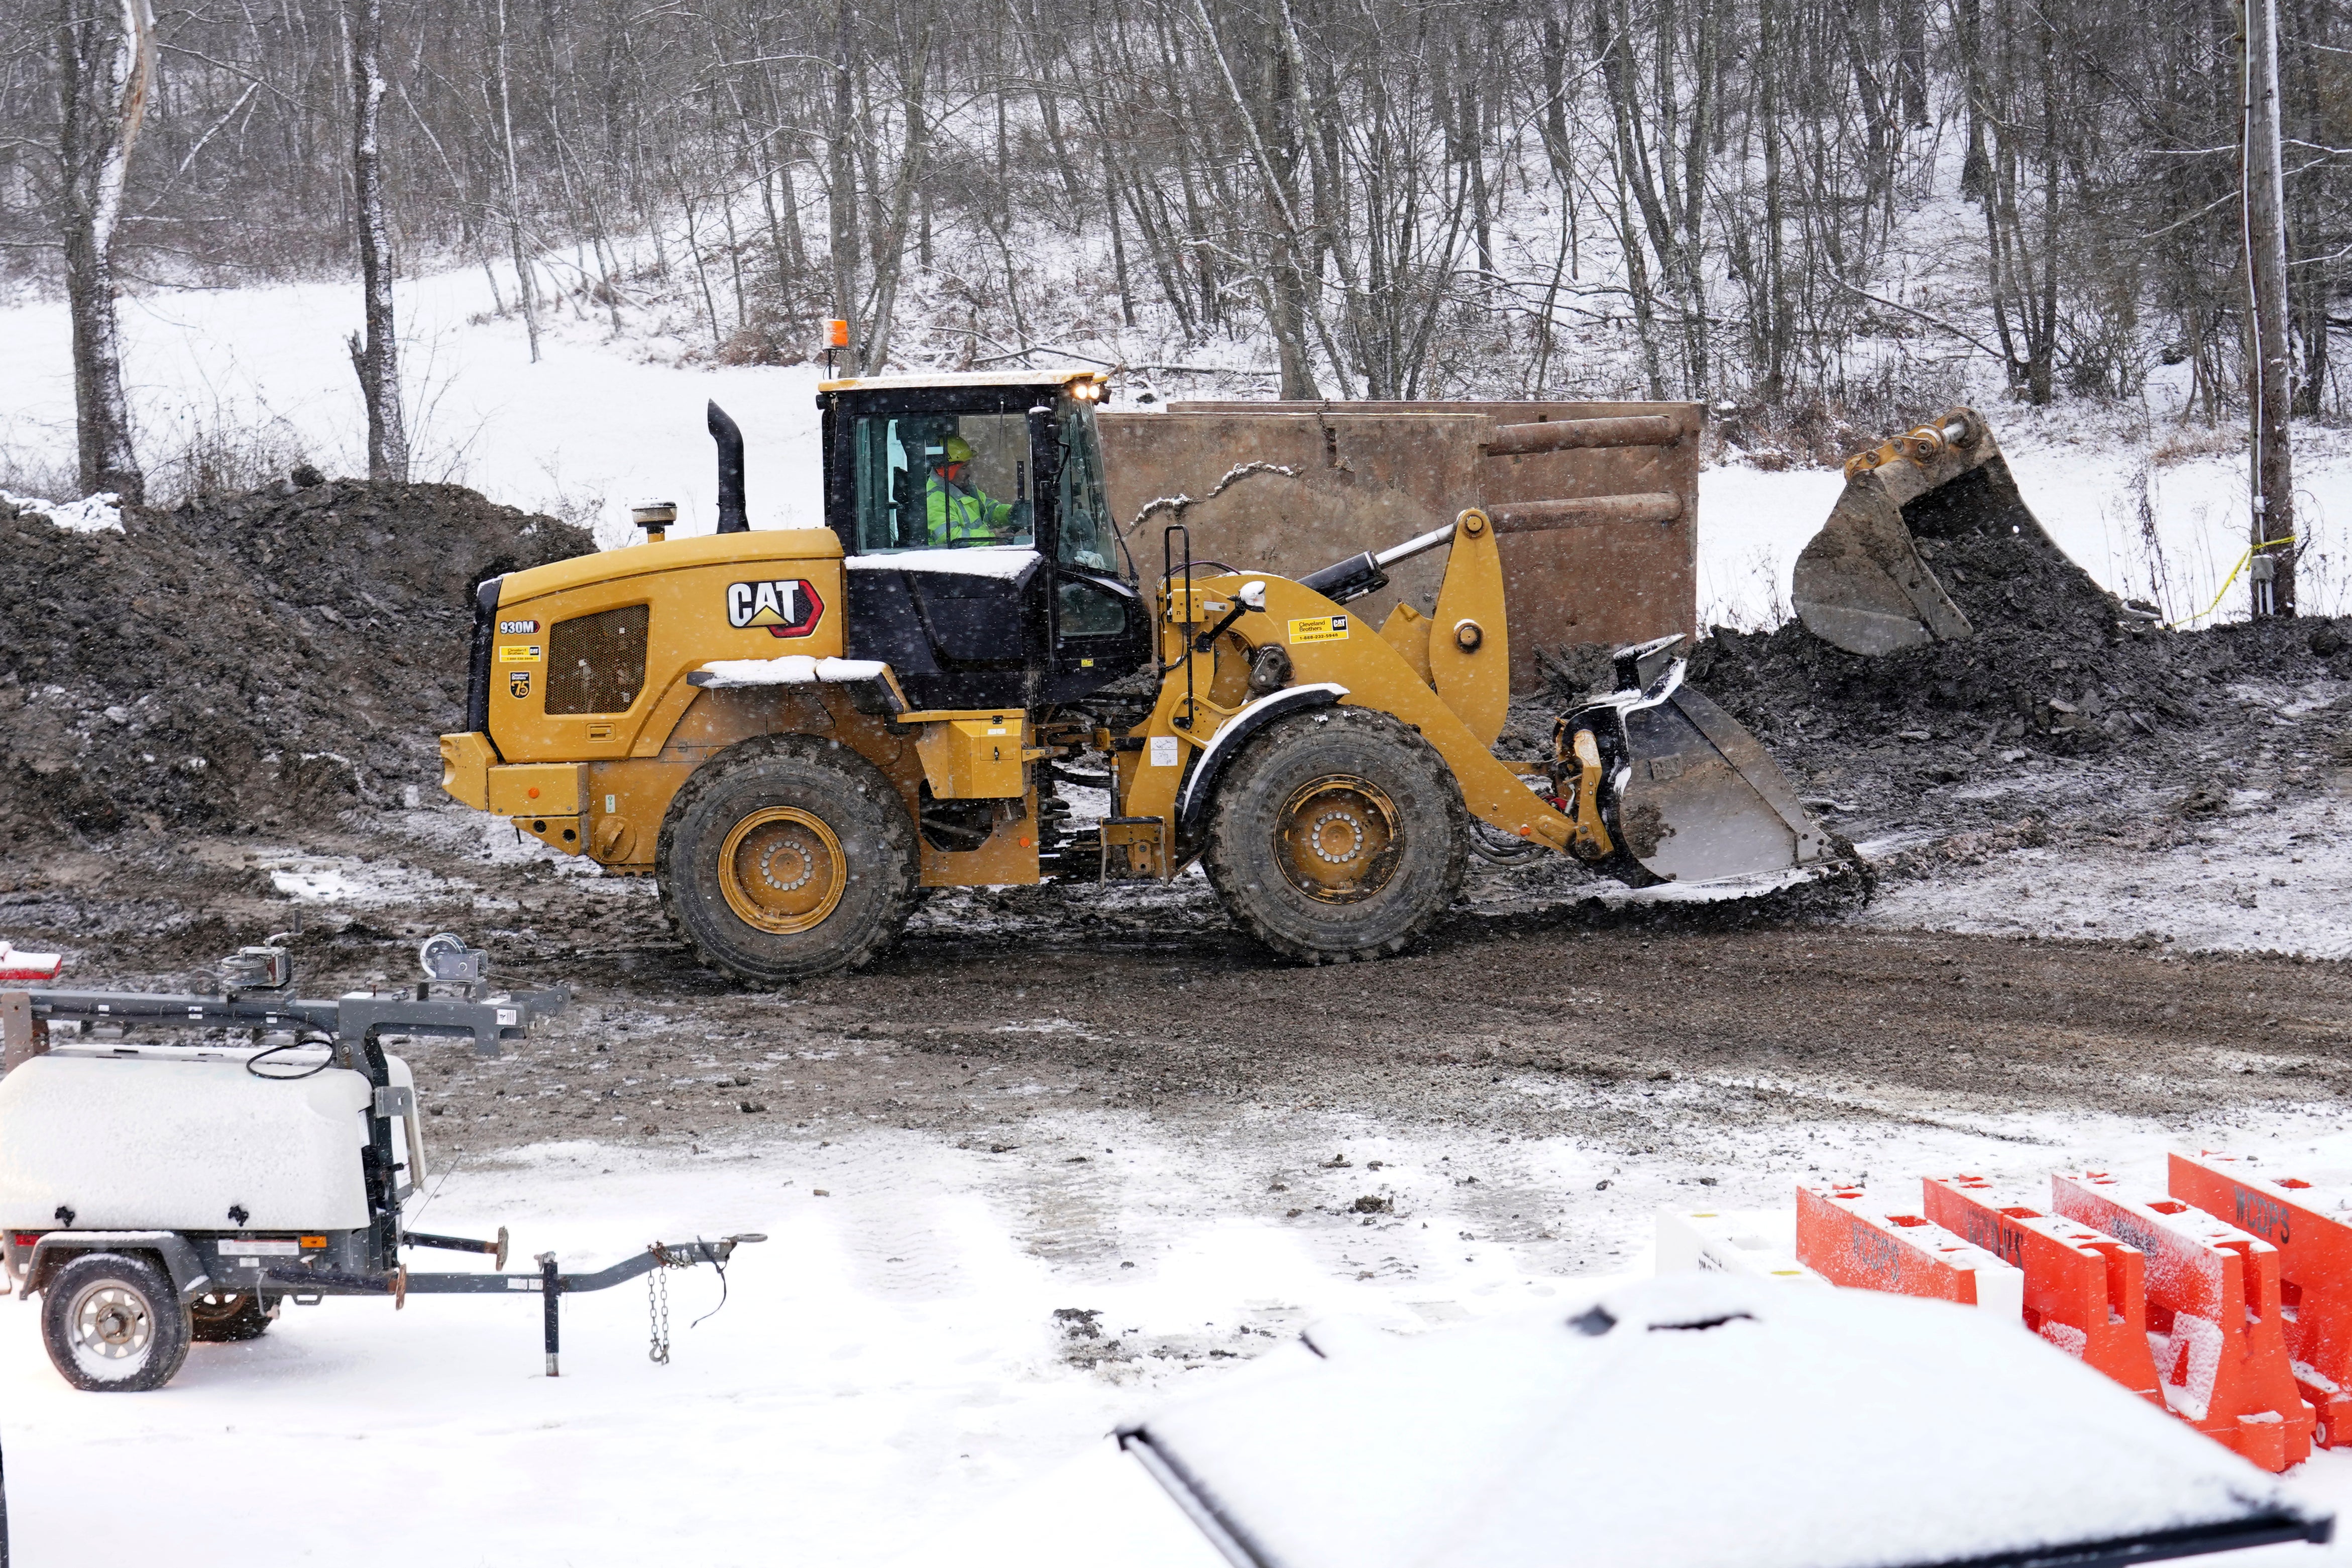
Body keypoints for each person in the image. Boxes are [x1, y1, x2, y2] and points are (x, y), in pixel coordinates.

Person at [923, 434, 1020, 543]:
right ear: (947, 471)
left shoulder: (964, 489)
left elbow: (987, 510)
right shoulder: (936, 499)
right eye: (964, 468)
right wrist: (992, 540)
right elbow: (950, 537)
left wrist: (1011, 514)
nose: (969, 472)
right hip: (954, 559)